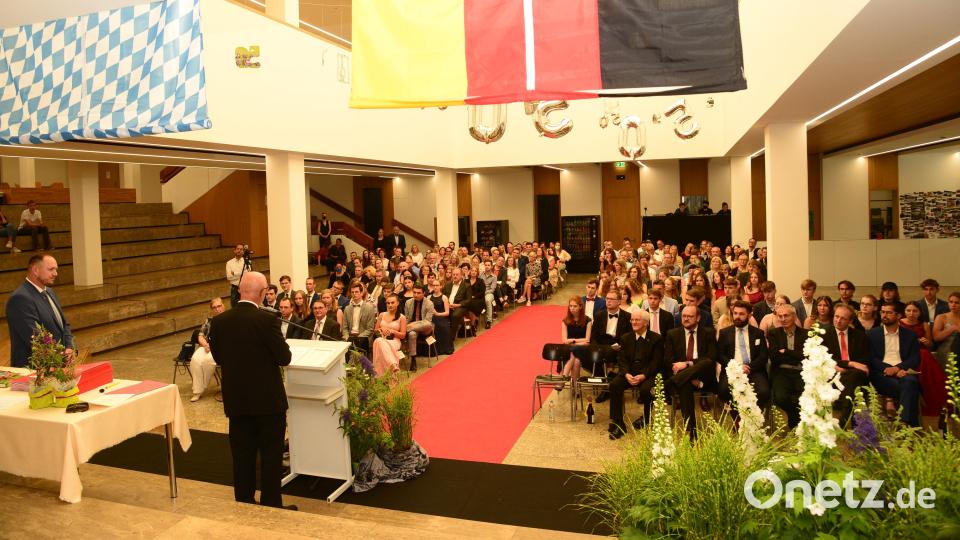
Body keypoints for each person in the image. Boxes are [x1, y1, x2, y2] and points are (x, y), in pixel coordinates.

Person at [207, 272, 294, 510]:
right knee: (270, 454)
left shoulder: (220, 321)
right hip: (268, 402)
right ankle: (271, 502)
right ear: (263, 293)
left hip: (237, 401)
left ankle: (244, 500)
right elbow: (284, 357)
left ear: (240, 291)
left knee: (242, 454)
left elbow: (218, 357)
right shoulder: (266, 321)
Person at [5, 255, 75, 368]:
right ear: (35, 270)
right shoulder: (20, 299)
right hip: (35, 370)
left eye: (56, 269)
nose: (55, 273)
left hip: (57, 364)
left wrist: (69, 347)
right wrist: (61, 356)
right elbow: (35, 338)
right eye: (51, 269)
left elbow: (64, 324)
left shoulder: (50, 292)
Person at [663, 305, 717, 440]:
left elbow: (711, 357)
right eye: (684, 316)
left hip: (703, 374)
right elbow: (667, 360)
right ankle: (692, 431)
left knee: (707, 362)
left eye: (690, 316)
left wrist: (688, 363)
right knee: (685, 386)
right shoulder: (672, 334)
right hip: (684, 377)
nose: (686, 319)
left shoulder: (708, 333)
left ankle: (672, 382)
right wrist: (687, 373)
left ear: (698, 318)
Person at [609, 309, 663, 439]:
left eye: (637, 320)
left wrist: (644, 375)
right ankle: (618, 423)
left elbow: (656, 362)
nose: (633, 322)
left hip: (648, 374)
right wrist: (626, 374)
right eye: (632, 319)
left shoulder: (656, 339)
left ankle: (646, 418)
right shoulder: (626, 338)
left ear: (646, 322)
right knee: (614, 385)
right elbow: (622, 359)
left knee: (646, 390)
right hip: (629, 373)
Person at [867, 303, 921, 426]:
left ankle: (903, 422)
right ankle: (907, 423)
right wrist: (887, 368)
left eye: (888, 312)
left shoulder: (910, 335)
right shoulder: (872, 334)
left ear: (899, 316)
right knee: (911, 388)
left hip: (903, 372)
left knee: (910, 382)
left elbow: (915, 358)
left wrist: (898, 368)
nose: (884, 315)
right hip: (881, 374)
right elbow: (870, 358)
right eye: (882, 312)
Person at [717, 300, 771, 416]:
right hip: (731, 370)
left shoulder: (758, 333)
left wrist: (748, 367)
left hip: (753, 370)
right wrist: (737, 367)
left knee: (763, 391)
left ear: (749, 315)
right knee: (724, 390)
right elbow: (720, 355)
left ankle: (752, 417)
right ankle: (737, 418)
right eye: (735, 313)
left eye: (741, 314)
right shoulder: (724, 333)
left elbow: (763, 357)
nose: (737, 317)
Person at [821, 303, 870, 428]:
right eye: (836, 316)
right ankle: (850, 418)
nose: (838, 320)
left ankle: (845, 416)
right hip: (833, 372)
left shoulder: (859, 336)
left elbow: (864, 360)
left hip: (853, 374)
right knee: (855, 377)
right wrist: (850, 363)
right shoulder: (824, 334)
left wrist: (848, 367)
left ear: (850, 321)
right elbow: (826, 357)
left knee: (854, 376)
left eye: (843, 318)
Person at [901, 301, 946, 420]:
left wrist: (927, 342)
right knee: (922, 355)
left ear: (920, 312)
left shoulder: (924, 324)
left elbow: (931, 344)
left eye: (915, 311)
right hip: (905, 354)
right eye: (908, 310)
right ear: (904, 312)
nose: (911, 313)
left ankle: (934, 399)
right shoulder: (899, 323)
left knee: (924, 354)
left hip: (922, 352)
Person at [767, 304, 808, 428]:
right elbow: (774, 357)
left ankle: (797, 421)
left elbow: (806, 357)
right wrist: (796, 357)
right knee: (780, 398)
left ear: (794, 316)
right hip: (781, 372)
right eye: (780, 316)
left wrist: (786, 351)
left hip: (801, 372)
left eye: (786, 315)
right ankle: (794, 415)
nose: (783, 319)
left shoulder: (805, 334)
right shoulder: (773, 333)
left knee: (805, 396)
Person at [589, 290, 632, 403]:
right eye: (607, 298)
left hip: (619, 346)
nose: (608, 301)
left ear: (619, 301)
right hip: (602, 345)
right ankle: (610, 381)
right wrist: (595, 348)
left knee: (615, 354)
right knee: (589, 354)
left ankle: (607, 389)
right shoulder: (599, 315)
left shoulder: (627, 316)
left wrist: (621, 346)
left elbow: (629, 337)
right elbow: (593, 336)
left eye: (611, 299)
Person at [188, 297, 226, 402]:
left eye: (219, 306)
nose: (217, 309)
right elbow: (200, 335)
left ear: (223, 306)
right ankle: (197, 391)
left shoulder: (229, 318)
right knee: (195, 360)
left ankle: (201, 387)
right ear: (211, 310)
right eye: (214, 307)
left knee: (208, 361)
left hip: (222, 348)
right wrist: (205, 345)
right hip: (208, 345)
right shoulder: (209, 321)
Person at [558, 296, 594, 386]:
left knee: (574, 351)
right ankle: (576, 388)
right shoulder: (565, 321)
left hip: (584, 348)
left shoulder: (588, 320)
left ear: (580, 307)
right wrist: (577, 341)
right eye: (570, 306)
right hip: (570, 348)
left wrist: (572, 341)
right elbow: (565, 340)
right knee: (576, 361)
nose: (572, 308)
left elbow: (587, 339)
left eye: (575, 306)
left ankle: (563, 377)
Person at [372, 294, 406, 376]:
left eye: (392, 302)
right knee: (379, 341)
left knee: (378, 342)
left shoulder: (402, 317)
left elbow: (403, 335)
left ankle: (381, 375)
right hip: (382, 339)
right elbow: (375, 330)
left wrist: (392, 331)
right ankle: (393, 365)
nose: (390, 305)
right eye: (388, 303)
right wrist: (381, 329)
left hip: (394, 341)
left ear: (397, 303)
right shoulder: (381, 315)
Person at [403, 283, 435, 371]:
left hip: (425, 327)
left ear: (423, 293)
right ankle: (413, 359)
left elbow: (428, 321)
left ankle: (405, 329)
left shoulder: (429, 303)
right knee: (412, 334)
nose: (416, 295)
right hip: (413, 328)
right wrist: (410, 325)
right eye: (414, 292)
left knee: (428, 324)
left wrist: (408, 326)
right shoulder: (408, 302)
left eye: (418, 293)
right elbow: (406, 318)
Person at [342, 282, 377, 351]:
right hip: (350, 337)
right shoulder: (347, 308)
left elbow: (370, 329)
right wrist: (346, 337)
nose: (354, 294)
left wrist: (358, 338)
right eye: (352, 292)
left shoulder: (369, 308)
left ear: (361, 293)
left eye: (356, 292)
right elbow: (345, 328)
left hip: (363, 338)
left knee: (358, 357)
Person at [931, 292, 960, 367]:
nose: (953, 305)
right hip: (946, 350)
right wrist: (952, 328)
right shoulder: (941, 317)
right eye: (951, 302)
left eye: (957, 302)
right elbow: (936, 337)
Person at [444, 267, 472, 339]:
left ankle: (451, 337)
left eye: (457, 274)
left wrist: (458, 305)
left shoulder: (466, 286)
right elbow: (443, 296)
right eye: (453, 274)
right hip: (448, 305)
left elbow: (469, 300)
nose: (455, 276)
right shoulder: (447, 284)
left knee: (455, 315)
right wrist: (446, 304)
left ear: (461, 276)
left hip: (460, 307)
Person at [429, 278, 455, 355]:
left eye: (437, 285)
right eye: (434, 285)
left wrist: (437, 314)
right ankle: (435, 350)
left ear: (441, 286)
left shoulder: (444, 297)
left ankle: (445, 349)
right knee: (433, 326)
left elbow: (447, 312)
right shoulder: (429, 297)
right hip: (432, 318)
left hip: (442, 317)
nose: (435, 287)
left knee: (443, 326)